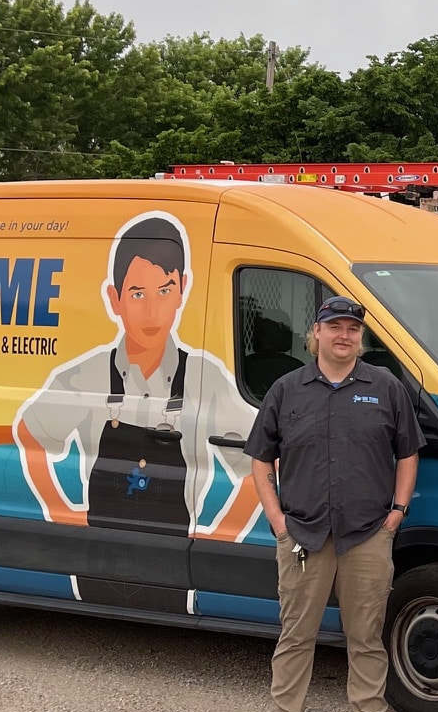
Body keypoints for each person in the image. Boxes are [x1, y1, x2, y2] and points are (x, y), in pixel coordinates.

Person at [17, 212, 262, 578]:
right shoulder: (84, 374)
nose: (152, 310)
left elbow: (255, 466)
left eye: (164, 290)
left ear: (183, 289)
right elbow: (26, 433)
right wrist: (59, 514)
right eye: (137, 293)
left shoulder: (208, 378)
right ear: (114, 299)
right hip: (99, 562)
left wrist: (220, 531)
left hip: (175, 563)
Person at [245, 296, 421, 712]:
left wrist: (397, 512)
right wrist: (278, 522)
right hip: (303, 533)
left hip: (366, 533)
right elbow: (261, 459)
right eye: (335, 327)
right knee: (296, 634)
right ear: (316, 334)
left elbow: (408, 453)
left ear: (361, 339)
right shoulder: (286, 390)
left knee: (367, 632)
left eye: (353, 329)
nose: (345, 336)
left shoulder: (385, 388)